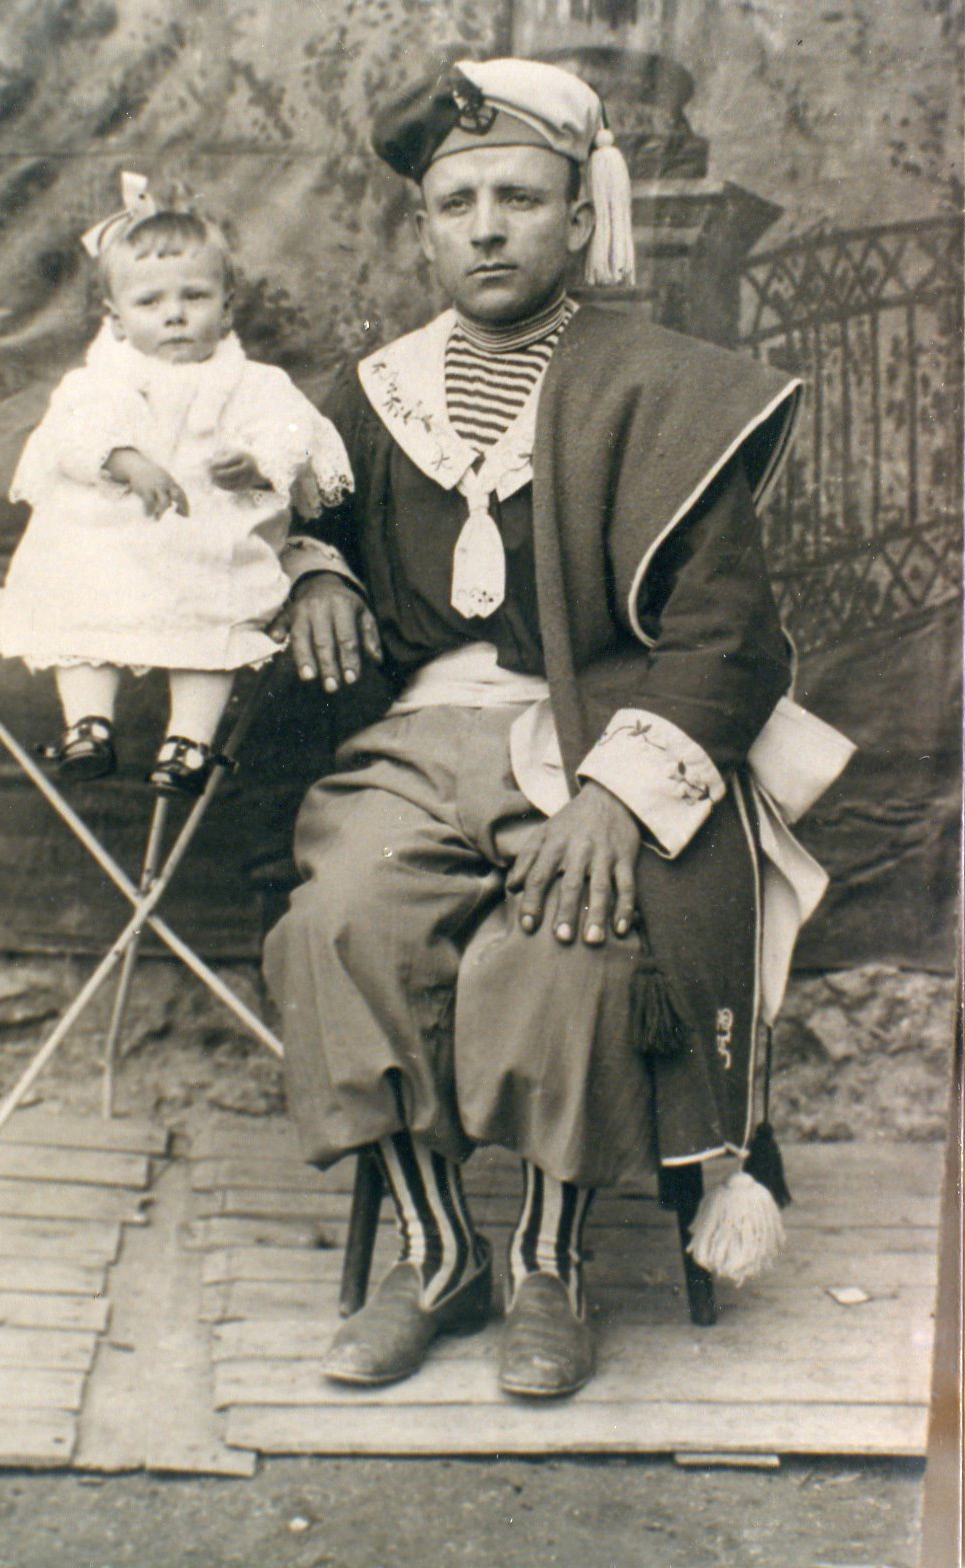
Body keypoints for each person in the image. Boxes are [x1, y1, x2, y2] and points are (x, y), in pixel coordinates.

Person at [262, 57, 852, 1398]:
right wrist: (313, 570)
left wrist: (613, 798)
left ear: (580, 219)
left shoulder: (661, 387)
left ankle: (549, 1263)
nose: (486, 228)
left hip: (598, 742)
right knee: (338, 921)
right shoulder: (373, 393)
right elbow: (296, 519)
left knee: (569, 939)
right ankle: (438, 1254)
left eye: (520, 199)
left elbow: (727, 636)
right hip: (420, 739)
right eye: (455, 202)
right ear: (423, 228)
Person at [0, 174, 352, 793]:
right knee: (76, 609)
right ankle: (88, 723)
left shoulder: (254, 382)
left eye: (195, 296)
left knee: (213, 621)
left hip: (204, 545)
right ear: (115, 319)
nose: (176, 314)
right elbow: (69, 439)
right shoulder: (99, 382)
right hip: (107, 549)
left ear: (227, 307)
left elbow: (295, 432)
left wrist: (258, 463)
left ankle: (189, 740)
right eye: (150, 302)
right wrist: (125, 461)